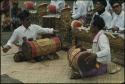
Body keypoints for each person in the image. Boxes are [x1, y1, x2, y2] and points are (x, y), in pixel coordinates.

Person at [70, 15, 111, 79]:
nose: (90, 27)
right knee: (82, 65)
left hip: (101, 65)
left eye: (91, 25)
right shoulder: (98, 35)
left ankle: (81, 75)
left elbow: (107, 50)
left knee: (86, 70)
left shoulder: (102, 37)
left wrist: (95, 55)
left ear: (96, 27)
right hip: (97, 62)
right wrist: (86, 50)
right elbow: (96, 50)